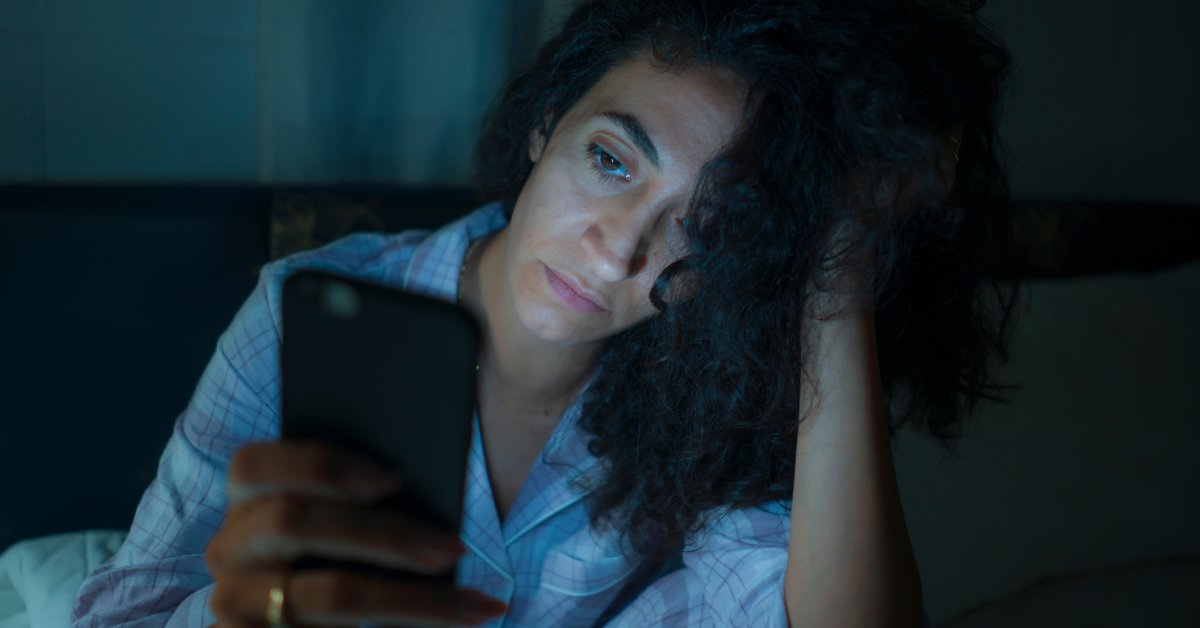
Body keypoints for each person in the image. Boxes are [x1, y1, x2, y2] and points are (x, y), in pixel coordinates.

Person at [72, 0, 1017, 625]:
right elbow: (120, 616)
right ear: (544, 125)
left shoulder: (717, 390)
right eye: (610, 160)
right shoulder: (305, 314)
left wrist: (837, 265)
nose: (617, 249)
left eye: (710, 229)